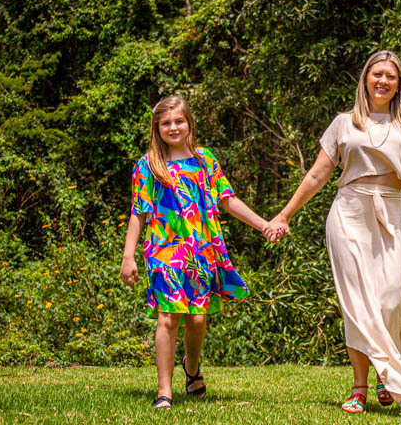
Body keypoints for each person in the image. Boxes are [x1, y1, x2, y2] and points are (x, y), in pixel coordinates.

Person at [268, 50, 401, 413]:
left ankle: (385, 374)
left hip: (392, 210)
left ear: (398, 84)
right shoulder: (344, 123)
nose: (383, 81)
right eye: (377, 74)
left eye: (391, 76)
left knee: (391, 300)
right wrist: (284, 215)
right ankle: (359, 387)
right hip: (349, 212)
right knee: (356, 303)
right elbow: (317, 175)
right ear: (365, 79)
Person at [120, 95, 285, 409]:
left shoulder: (205, 160)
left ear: (189, 123)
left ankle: (192, 367)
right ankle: (164, 392)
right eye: (165, 123)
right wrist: (128, 256)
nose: (173, 127)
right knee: (168, 318)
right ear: (156, 128)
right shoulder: (148, 166)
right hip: (164, 251)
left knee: (196, 321)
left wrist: (263, 225)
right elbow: (137, 213)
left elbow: (227, 199)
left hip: (201, 250)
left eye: (178, 121)